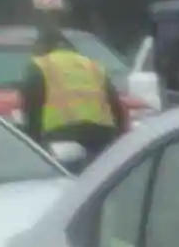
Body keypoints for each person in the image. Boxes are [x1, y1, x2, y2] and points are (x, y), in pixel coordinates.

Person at [21, 22, 126, 159]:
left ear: (43, 47)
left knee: (67, 174)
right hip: (102, 133)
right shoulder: (93, 65)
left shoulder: (40, 65)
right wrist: (118, 135)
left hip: (61, 134)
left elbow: (32, 106)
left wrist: (33, 139)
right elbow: (115, 104)